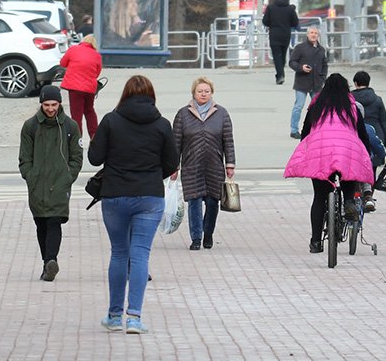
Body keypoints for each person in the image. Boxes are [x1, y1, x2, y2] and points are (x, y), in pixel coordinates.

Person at [89, 75, 180, 335]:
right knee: (140, 255)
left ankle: (114, 316)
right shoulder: (162, 124)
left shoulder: (110, 121)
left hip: (115, 195)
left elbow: (95, 158)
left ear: (125, 94)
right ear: (151, 95)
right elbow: (171, 163)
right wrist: (151, 175)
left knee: (119, 253)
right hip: (149, 196)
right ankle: (135, 318)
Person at [283, 73, 373, 254]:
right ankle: (348, 202)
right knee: (349, 175)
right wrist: (365, 151)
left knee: (319, 197)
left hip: (321, 151)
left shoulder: (316, 105)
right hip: (347, 149)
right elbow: (362, 134)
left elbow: (305, 131)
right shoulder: (351, 107)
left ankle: (316, 242)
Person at [18, 85, 82, 282]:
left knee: (54, 221)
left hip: (60, 184)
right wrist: (30, 175)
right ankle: (48, 264)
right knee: (41, 223)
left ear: (60, 103)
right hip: (37, 184)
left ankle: (50, 260)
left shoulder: (70, 127)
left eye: (54, 104)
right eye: (46, 105)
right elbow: (24, 157)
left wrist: (68, 177)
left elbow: (77, 157)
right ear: (41, 104)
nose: (50, 108)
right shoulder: (30, 126)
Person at [171, 77, 236, 251]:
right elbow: (175, 142)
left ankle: (208, 233)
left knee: (213, 201)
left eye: (206, 91)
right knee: (194, 201)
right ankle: (196, 237)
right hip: (191, 166)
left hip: (214, 165)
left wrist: (230, 164)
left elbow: (228, 140)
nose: (203, 94)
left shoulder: (221, 113)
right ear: (193, 93)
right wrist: (173, 165)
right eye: (200, 91)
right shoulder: (183, 114)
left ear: (211, 93)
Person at [352, 70, 386, 211]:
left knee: (354, 169)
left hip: (355, 136)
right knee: (371, 169)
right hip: (375, 137)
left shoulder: (350, 99)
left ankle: (356, 197)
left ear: (355, 83)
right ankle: (368, 198)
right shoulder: (377, 100)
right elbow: (384, 123)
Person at [59, 34, 102, 139]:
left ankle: (77, 138)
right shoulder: (97, 55)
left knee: (76, 115)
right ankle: (94, 136)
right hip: (89, 88)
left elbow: (63, 63)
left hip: (75, 88)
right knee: (89, 111)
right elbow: (97, 72)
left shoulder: (73, 49)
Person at [288, 26, 327, 139]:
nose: (313, 35)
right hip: (302, 82)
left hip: (317, 83)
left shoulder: (321, 49)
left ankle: (317, 129)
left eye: (315, 33)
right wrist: (301, 67)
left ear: (318, 35)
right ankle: (294, 130)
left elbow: (324, 64)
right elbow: (292, 62)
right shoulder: (300, 48)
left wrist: (323, 77)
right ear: (307, 34)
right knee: (298, 106)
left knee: (318, 108)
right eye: (311, 33)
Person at [262, 0, 299, 85]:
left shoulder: (270, 8)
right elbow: (295, 22)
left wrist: (272, 23)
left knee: (276, 55)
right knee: (282, 55)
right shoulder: (290, 9)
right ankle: (280, 74)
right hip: (286, 34)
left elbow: (265, 21)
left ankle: (280, 75)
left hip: (274, 34)